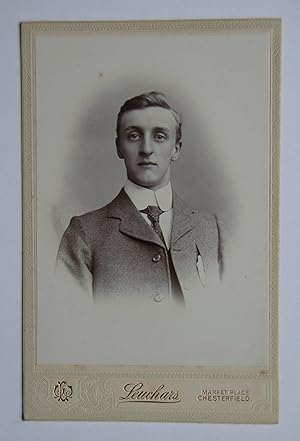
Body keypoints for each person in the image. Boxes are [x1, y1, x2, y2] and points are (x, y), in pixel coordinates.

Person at [57, 91, 224, 307]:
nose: (146, 149)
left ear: (176, 149)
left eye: (159, 136)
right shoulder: (84, 234)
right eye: (134, 136)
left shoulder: (212, 229)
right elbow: (68, 324)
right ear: (119, 147)